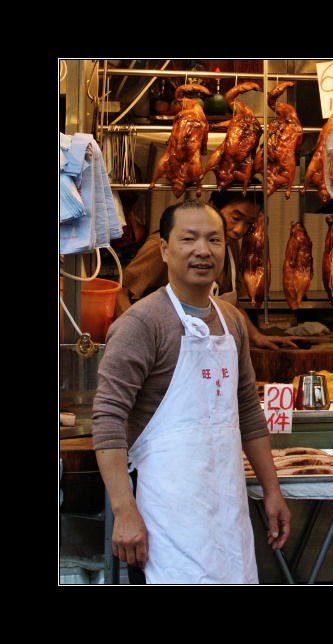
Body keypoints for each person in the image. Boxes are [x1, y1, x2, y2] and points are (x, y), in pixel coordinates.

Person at [92, 200, 291, 584]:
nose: (203, 250)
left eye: (213, 240)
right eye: (189, 239)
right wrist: (125, 510)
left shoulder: (231, 320)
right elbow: (108, 420)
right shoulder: (141, 323)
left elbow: (248, 410)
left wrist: (272, 491)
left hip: (227, 504)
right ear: (165, 250)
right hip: (166, 512)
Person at [115, 191, 303, 350]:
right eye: (235, 218)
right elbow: (119, 294)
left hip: (211, 350)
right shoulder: (165, 246)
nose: (239, 230)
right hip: (168, 348)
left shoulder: (230, 246)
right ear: (212, 207)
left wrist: (256, 336)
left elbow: (229, 304)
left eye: (248, 223)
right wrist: (141, 339)